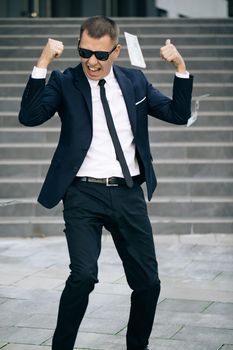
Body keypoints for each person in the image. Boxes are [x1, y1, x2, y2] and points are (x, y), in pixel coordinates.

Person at [18, 16, 193, 350]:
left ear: (117, 50)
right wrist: (42, 62)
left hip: (127, 192)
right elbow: (29, 117)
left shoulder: (134, 82)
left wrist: (180, 67)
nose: (91, 62)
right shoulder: (65, 80)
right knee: (83, 276)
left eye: (100, 54)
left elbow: (178, 114)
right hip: (82, 192)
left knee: (148, 283)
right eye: (84, 53)